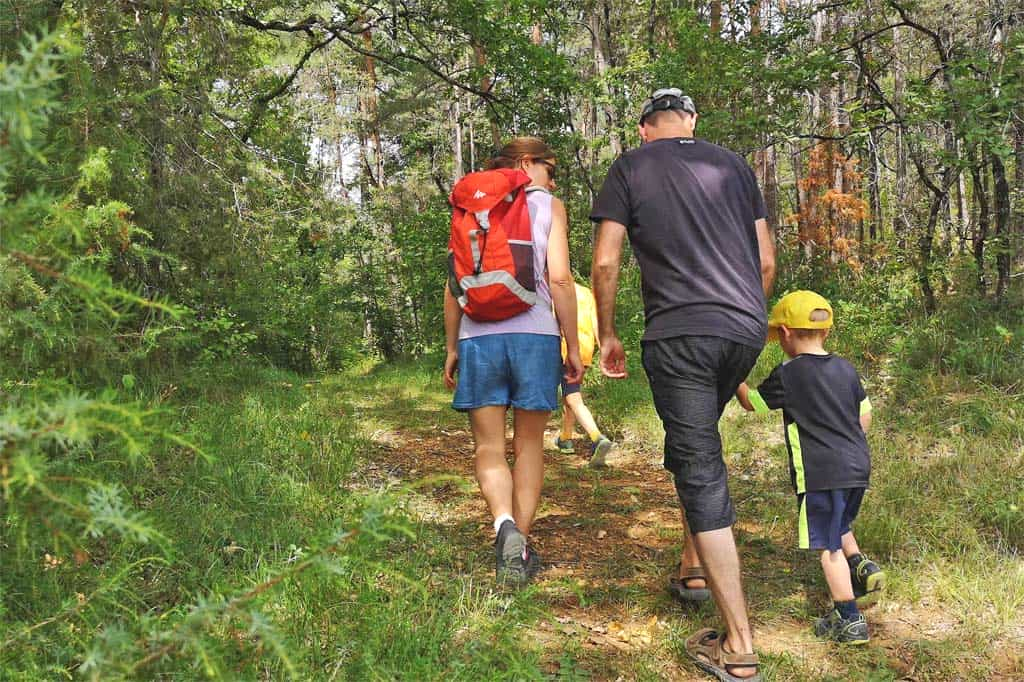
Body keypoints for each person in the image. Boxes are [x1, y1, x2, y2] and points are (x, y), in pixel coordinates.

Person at [591, 88, 775, 681]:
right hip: (743, 328)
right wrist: (745, 324)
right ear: (691, 121)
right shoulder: (733, 165)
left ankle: (739, 645)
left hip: (680, 334)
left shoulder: (630, 165)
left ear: (646, 128)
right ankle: (693, 566)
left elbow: (604, 262)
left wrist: (609, 332)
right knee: (690, 441)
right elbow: (766, 261)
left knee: (699, 464)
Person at [444, 137, 583, 587]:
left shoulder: (471, 205)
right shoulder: (549, 206)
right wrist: (573, 346)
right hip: (535, 336)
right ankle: (519, 543)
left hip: (477, 338)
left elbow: (452, 284)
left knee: (487, 446)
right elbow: (560, 278)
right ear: (526, 163)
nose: (553, 177)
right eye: (550, 166)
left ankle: (502, 523)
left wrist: (451, 347)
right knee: (529, 445)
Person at [735, 290, 886, 644]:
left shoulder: (789, 374)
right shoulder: (845, 369)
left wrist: (733, 379)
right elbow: (865, 414)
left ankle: (849, 619)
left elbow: (752, 403)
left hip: (821, 473)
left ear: (784, 334)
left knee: (827, 546)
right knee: (840, 522)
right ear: (827, 333)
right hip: (857, 466)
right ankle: (863, 567)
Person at [555, 282, 615, 467]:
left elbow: (554, 319)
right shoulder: (585, 293)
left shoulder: (552, 291)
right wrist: (604, 349)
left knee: (573, 398)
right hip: (584, 351)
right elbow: (596, 323)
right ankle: (565, 439)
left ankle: (597, 438)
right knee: (570, 395)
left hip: (562, 349)